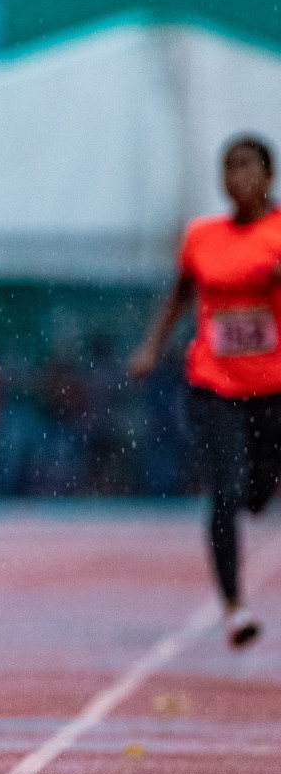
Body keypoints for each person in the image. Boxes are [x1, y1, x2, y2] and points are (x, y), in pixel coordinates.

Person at [131, 134, 281, 650]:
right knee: (225, 489)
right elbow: (180, 296)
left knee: (258, 490)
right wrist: (151, 347)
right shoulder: (202, 236)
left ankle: (260, 492)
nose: (235, 178)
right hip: (214, 382)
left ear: (268, 176)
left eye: (246, 167)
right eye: (227, 167)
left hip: (274, 389)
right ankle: (234, 608)